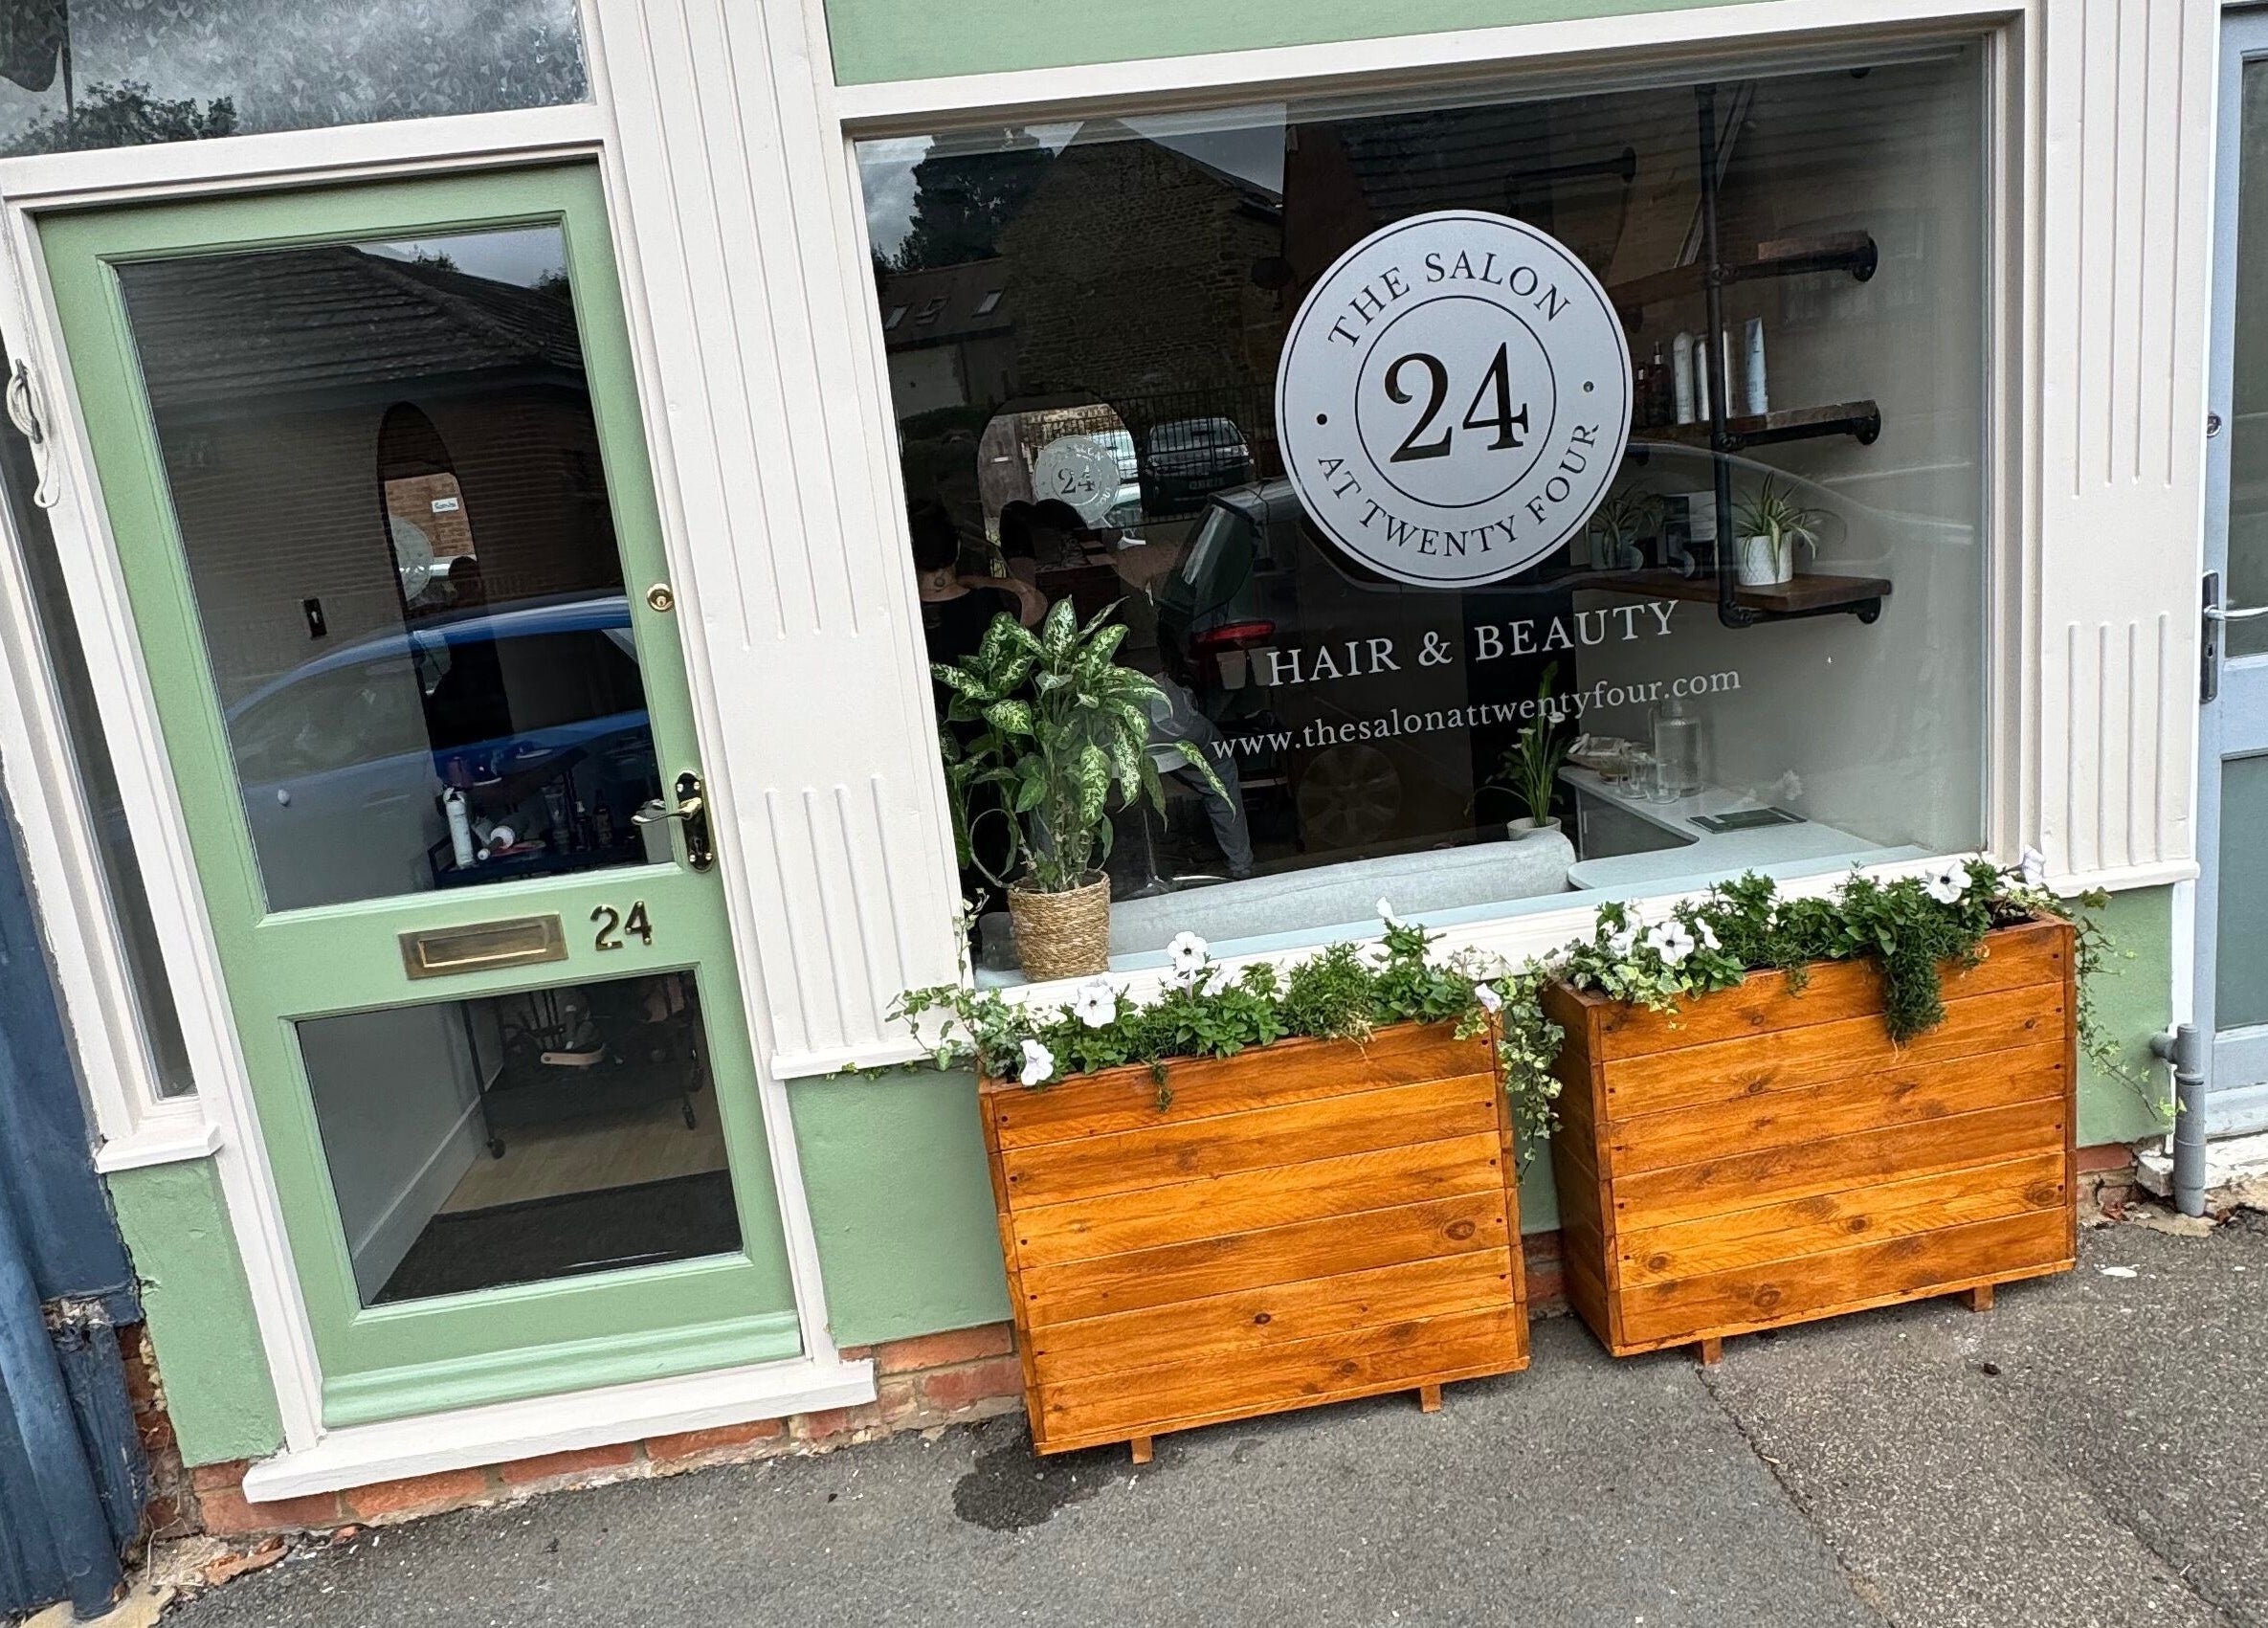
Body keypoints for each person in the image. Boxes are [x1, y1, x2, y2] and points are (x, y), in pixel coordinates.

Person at [909, 501, 1037, 672]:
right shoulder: (985, 603)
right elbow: (1034, 601)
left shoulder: (906, 614)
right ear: (958, 547)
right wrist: (987, 581)